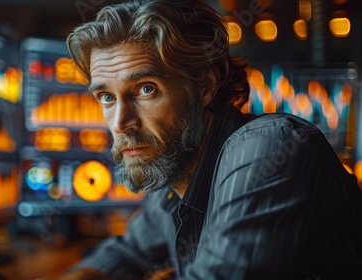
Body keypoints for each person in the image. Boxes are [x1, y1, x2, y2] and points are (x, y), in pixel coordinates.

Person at [61, 0, 362, 279]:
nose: (120, 123)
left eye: (145, 89)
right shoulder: (174, 176)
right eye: (106, 97)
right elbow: (125, 254)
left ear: (205, 86)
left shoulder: (267, 149)